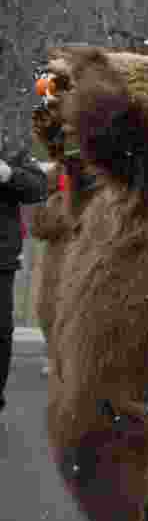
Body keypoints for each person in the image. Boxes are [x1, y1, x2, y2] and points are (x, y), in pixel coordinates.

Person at [0, 146, 48, 413]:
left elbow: (38, 187)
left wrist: (9, 175)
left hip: (1, 260)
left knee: (1, 332)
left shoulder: (11, 153)